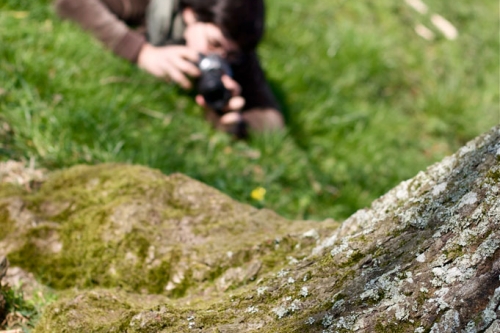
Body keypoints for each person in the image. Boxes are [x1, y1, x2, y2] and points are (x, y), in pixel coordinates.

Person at [54, 0, 284, 138]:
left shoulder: (232, 48)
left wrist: (234, 122)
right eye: (213, 44)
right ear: (189, 13)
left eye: (231, 55)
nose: (219, 58)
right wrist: (141, 53)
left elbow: (272, 119)